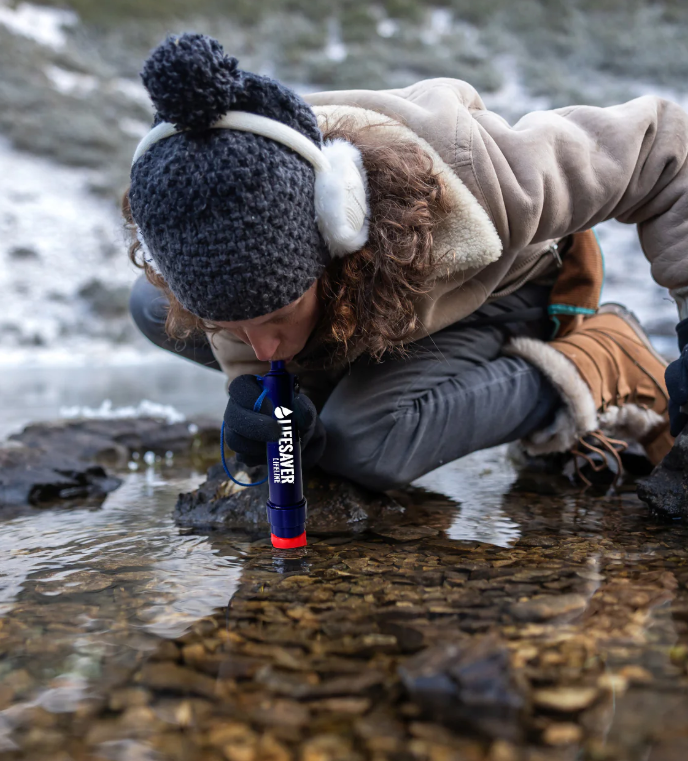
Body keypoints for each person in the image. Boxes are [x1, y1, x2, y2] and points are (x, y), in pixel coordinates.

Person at [125, 33, 688, 491]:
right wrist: (255, 392)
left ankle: (603, 359)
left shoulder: (479, 176)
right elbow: (246, 317)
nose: (262, 346)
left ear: (334, 225)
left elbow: (665, 146)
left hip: (497, 297)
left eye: (277, 314)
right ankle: (300, 346)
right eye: (231, 325)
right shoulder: (211, 207)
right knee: (152, 308)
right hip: (356, 304)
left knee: (362, 446)